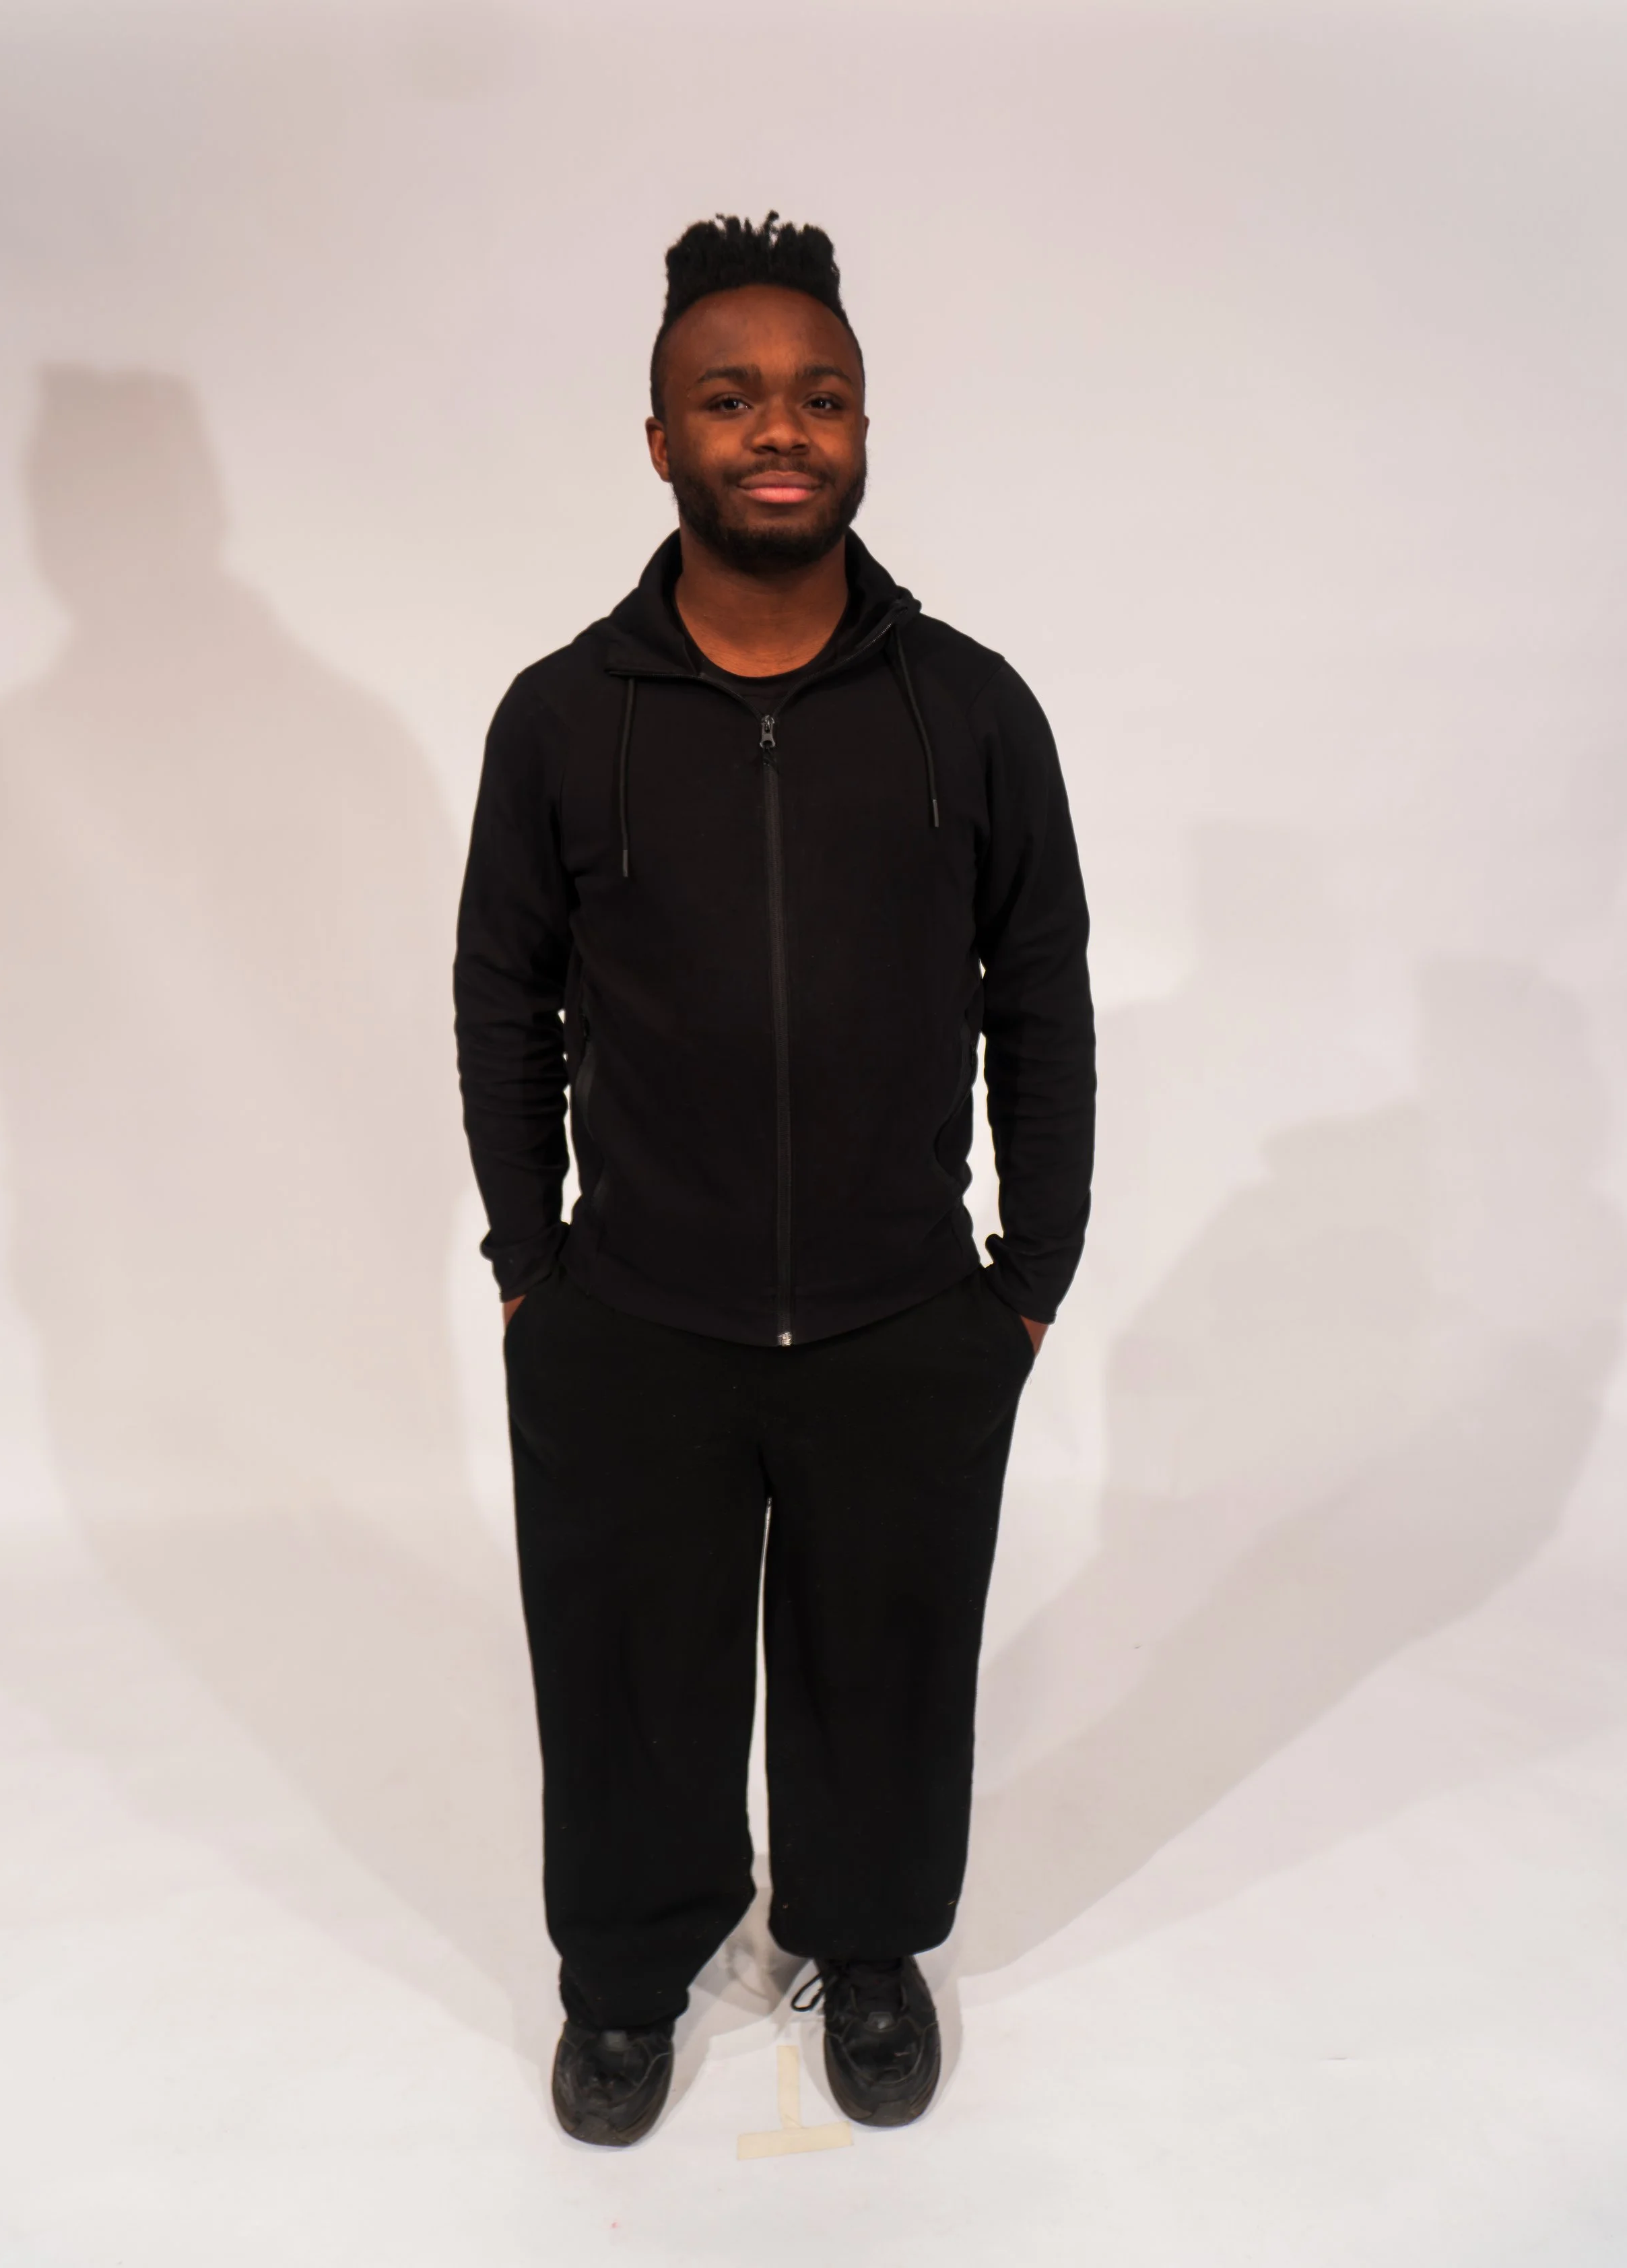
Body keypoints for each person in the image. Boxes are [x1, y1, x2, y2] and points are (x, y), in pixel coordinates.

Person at [454, 212, 1095, 2145]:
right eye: (727, 397)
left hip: (907, 1310)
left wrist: (1031, 1269)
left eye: (816, 395)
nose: (777, 428)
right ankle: (630, 1977)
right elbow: (503, 992)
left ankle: (866, 1936)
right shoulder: (564, 716)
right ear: (657, 439)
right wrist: (524, 1259)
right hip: (633, 1311)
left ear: (866, 428)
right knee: (626, 1672)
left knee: (886, 1654)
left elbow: (1040, 986)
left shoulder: (966, 708)